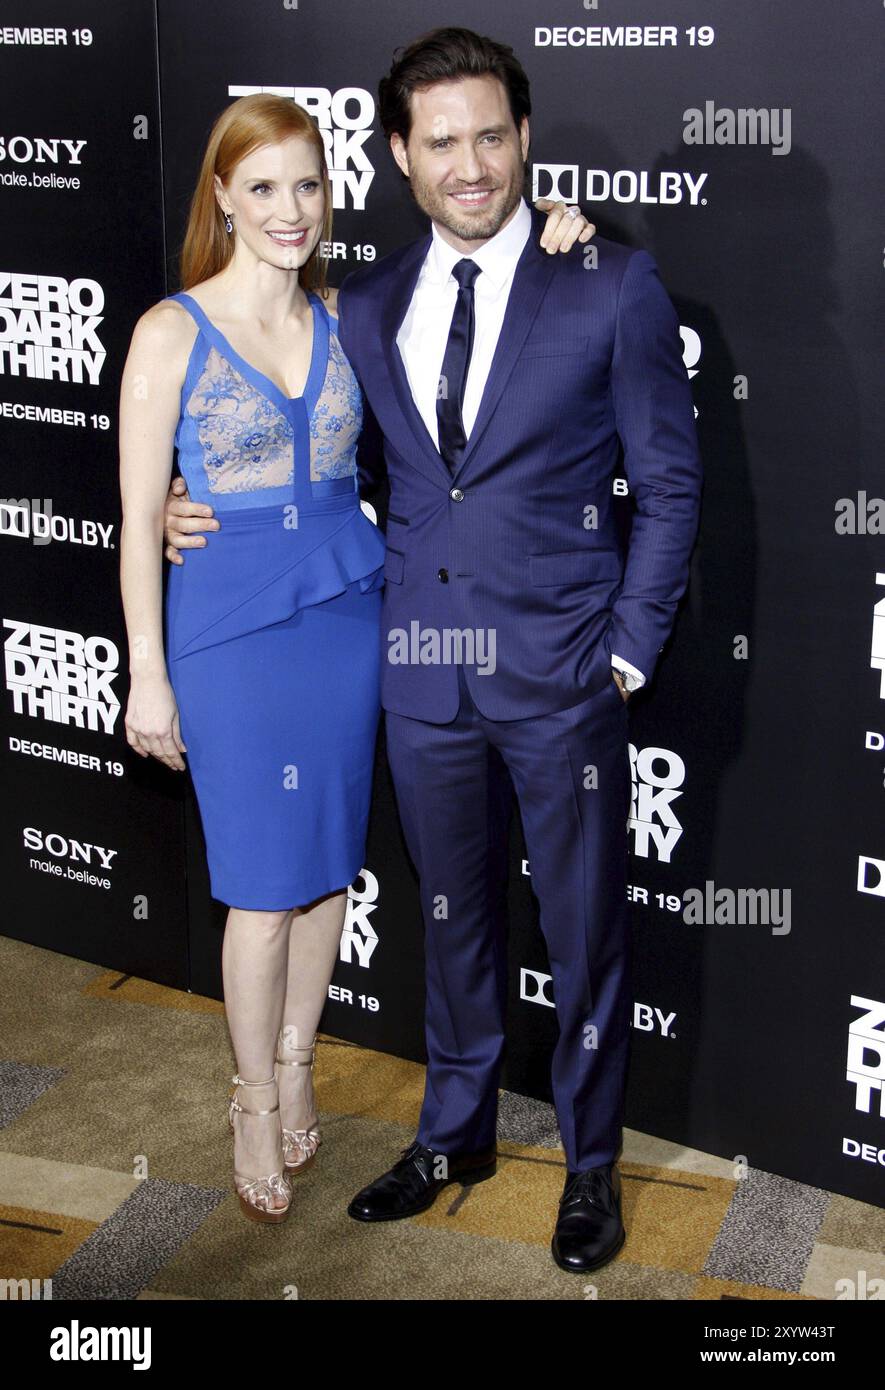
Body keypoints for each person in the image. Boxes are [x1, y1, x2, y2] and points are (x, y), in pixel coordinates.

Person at [163, 26, 701, 1271]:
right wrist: (187, 509)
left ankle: (590, 1165)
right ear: (399, 152)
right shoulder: (371, 307)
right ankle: (452, 1131)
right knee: (451, 922)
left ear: (524, 139)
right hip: (420, 671)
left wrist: (625, 652)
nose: (471, 165)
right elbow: (286, 449)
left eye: (492, 137)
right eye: (441, 141)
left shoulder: (607, 284)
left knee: (582, 932)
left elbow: (670, 488)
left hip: (566, 671)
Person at [122, 89, 593, 1226]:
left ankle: (297, 1063)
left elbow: (481, 322)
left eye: (308, 184)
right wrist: (147, 668)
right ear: (224, 199)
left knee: (329, 863)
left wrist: (561, 226)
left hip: (348, 615)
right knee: (262, 886)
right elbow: (140, 516)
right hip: (231, 633)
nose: (291, 209)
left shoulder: (352, 316)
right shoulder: (170, 330)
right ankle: (250, 1095)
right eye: (264, 187)